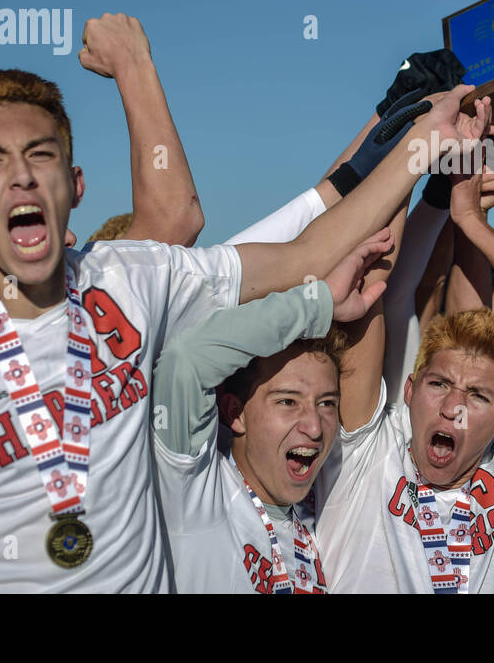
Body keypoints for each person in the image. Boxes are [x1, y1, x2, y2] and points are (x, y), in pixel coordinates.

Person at [0, 12, 484, 592]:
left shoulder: (129, 278)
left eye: (40, 155)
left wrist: (420, 144)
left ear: (74, 185)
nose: (21, 176)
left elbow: (301, 252)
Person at [314, 159, 494, 593]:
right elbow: (374, 281)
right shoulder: (368, 453)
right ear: (408, 389)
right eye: (438, 384)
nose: (453, 407)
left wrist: (471, 222)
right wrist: (417, 152)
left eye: (478, 396)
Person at [152, 234, 392, 593]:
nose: (314, 427)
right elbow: (186, 360)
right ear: (235, 413)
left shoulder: (317, 528)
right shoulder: (194, 490)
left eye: (327, 402)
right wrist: (319, 303)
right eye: (288, 401)